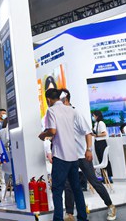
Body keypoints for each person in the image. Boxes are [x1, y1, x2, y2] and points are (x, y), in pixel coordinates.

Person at [49, 90, 116, 221]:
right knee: (68, 185)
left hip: (81, 154)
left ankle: (110, 205)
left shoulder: (76, 113)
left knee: (93, 181)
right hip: (67, 155)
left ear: (65, 99)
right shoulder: (58, 114)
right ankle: (69, 214)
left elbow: (87, 132)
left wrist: (88, 149)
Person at [39, 88, 90, 221]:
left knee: (57, 190)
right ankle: (83, 217)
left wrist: (43, 135)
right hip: (73, 155)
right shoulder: (70, 110)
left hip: (60, 155)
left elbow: (52, 131)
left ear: (48, 99)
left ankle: (58, 218)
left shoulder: (51, 110)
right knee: (76, 188)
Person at [91, 110, 112, 182]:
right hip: (97, 142)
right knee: (100, 160)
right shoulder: (96, 123)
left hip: (102, 142)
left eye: (93, 116)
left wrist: (96, 135)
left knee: (105, 160)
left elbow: (104, 133)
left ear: (97, 116)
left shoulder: (101, 123)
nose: (93, 117)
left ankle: (109, 177)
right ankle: (104, 177)